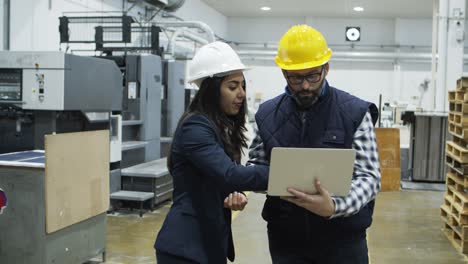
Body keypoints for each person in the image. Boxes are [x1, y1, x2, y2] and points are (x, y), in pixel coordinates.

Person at [248, 24, 381, 264]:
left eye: (312, 75)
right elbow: (255, 164)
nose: (305, 85)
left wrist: (333, 206)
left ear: (326, 68)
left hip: (343, 240)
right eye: (296, 78)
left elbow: (369, 177)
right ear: (284, 73)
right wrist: (266, 180)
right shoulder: (266, 114)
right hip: (286, 239)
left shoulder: (354, 111)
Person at [154, 41, 269, 264]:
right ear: (211, 89)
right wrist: (282, 174)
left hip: (208, 244)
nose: (242, 94)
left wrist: (233, 195)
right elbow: (229, 174)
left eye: (243, 86)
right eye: (233, 86)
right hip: (185, 249)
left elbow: (218, 180)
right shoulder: (195, 128)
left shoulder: (219, 127)